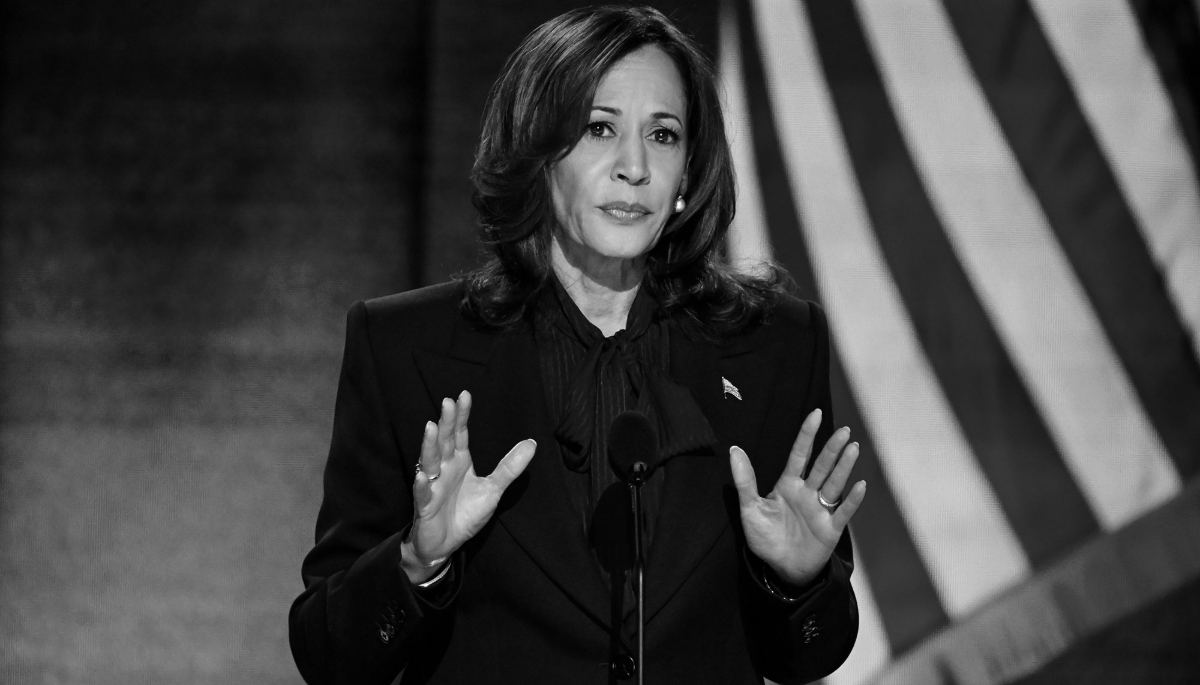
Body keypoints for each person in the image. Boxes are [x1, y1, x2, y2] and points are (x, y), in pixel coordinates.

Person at [289, 6, 866, 684]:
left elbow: (806, 654)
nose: (634, 167)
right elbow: (327, 653)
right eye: (599, 129)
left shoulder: (774, 345)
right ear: (539, 152)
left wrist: (797, 582)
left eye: (664, 134)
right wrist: (417, 563)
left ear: (688, 173)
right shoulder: (405, 347)